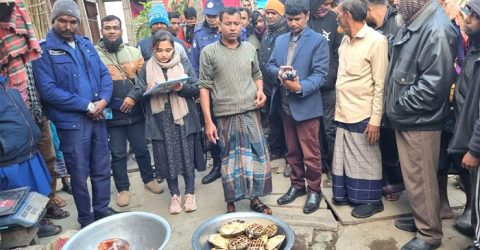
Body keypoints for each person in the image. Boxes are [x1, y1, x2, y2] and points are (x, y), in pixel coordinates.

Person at [32, 0, 116, 228]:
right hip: (72, 123)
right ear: (54, 21)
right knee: (79, 174)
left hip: (97, 117)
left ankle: (102, 210)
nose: (68, 26)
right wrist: (86, 106)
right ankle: (87, 220)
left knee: (101, 168)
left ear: (78, 23)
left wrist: (103, 101)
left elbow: (104, 76)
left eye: (72, 21)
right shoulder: (43, 51)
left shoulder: (86, 45)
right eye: (62, 21)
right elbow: (48, 90)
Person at [383, 0, 458, 248]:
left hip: (419, 118)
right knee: (415, 177)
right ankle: (422, 218)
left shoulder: (437, 28)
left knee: (421, 178)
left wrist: (398, 105)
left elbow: (434, 86)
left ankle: (429, 235)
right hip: (409, 115)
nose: (395, 2)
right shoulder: (417, 20)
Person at [199, 7, 272, 214]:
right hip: (224, 115)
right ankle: (231, 202)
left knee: (256, 157)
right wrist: (208, 121)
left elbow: (257, 73)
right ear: (219, 25)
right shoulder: (209, 52)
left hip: (251, 111)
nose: (232, 28)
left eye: (236, 23)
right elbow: (203, 86)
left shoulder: (249, 48)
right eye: (228, 23)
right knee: (229, 160)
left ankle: (255, 198)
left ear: (242, 24)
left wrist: (260, 91)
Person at [266, 0, 329, 214]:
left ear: (307, 16)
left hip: (306, 105)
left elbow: (321, 75)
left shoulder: (318, 41)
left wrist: (299, 87)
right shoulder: (281, 39)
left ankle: (314, 189)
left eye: (297, 19)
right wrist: (279, 74)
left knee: (310, 153)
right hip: (285, 106)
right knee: (291, 150)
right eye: (290, 19)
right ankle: (297, 185)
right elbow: (270, 65)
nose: (293, 23)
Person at [95, 15, 163, 207]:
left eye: (115, 28)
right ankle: (123, 189)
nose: (112, 31)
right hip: (111, 114)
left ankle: (148, 180)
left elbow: (143, 80)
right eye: (108, 28)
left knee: (141, 149)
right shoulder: (94, 55)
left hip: (135, 111)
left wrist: (133, 96)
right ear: (102, 31)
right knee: (117, 154)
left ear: (121, 30)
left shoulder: (134, 52)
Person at [134, 30, 205, 214]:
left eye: (167, 50)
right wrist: (147, 90)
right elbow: (139, 90)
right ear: (153, 50)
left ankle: (190, 193)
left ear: (174, 48)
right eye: (159, 50)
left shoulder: (183, 63)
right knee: (166, 158)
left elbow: (196, 88)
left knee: (186, 155)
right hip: (160, 121)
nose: (163, 54)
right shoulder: (147, 67)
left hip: (183, 119)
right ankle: (174, 195)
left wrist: (181, 87)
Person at [333, 0, 388, 218]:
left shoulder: (377, 41)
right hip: (343, 110)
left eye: (338, 13)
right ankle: (353, 195)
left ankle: (373, 201)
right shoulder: (345, 40)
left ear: (347, 15)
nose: (335, 17)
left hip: (364, 112)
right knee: (347, 158)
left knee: (367, 158)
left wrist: (375, 119)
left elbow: (380, 83)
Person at [366, 0, 404, 202]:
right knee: (378, 142)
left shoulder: (398, 22)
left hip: (393, 92)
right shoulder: (369, 26)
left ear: (369, 8)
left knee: (392, 142)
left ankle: (396, 184)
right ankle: (383, 181)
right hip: (371, 93)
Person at [448, 2, 480, 250]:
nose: (466, 19)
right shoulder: (474, 50)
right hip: (465, 129)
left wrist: (475, 149)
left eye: (474, 16)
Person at [189, 0, 225, 185]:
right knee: (211, 129)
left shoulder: (231, 31)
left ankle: (231, 165)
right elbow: (193, 65)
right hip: (208, 93)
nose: (212, 20)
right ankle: (217, 165)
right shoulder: (199, 35)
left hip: (228, 90)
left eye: (215, 16)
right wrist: (198, 89)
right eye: (209, 16)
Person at [308, 0, 343, 175]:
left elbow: (339, 52)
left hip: (328, 85)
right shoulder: (305, 19)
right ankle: (319, 163)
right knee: (313, 128)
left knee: (329, 127)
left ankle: (333, 165)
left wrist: (329, 77)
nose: (323, 7)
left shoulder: (335, 19)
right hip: (308, 85)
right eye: (320, 3)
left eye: (327, 3)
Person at [258, 0, 289, 166]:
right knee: (273, 118)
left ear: (281, 15)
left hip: (281, 83)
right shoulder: (267, 31)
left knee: (285, 119)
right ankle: (276, 149)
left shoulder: (286, 31)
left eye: (273, 13)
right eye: (268, 12)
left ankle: (288, 155)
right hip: (268, 83)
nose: (269, 16)